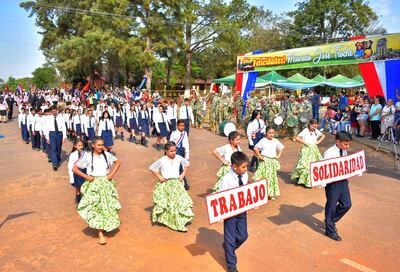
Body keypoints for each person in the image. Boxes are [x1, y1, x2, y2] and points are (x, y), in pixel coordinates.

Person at [73, 136, 121, 245]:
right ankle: (100, 233)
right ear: (93, 145)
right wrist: (87, 177)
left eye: (102, 145)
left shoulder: (107, 155)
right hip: (94, 184)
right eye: (98, 145)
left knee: (106, 206)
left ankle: (104, 226)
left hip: (106, 184)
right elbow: (75, 168)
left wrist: (111, 175)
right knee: (96, 206)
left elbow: (118, 162)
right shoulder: (87, 156)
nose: (101, 147)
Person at [149, 141, 194, 232]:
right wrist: (160, 177)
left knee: (178, 202)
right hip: (167, 184)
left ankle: (178, 221)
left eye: (175, 150)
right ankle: (170, 220)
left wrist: (182, 175)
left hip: (177, 183)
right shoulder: (162, 159)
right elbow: (152, 168)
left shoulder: (179, 158)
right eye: (171, 151)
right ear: (166, 151)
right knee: (169, 203)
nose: (174, 153)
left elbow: (186, 164)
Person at [217, 151, 250, 272]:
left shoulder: (245, 175)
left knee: (243, 236)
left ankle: (228, 248)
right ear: (234, 166)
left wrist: (253, 203)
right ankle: (232, 266)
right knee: (230, 239)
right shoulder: (226, 179)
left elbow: (246, 190)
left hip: (242, 211)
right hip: (230, 213)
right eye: (244, 167)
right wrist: (220, 214)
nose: (246, 169)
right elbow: (220, 196)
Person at [324, 131, 353, 241]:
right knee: (331, 205)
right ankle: (329, 230)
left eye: (348, 144)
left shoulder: (344, 150)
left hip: (343, 181)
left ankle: (330, 221)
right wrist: (322, 182)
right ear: (337, 142)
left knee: (346, 204)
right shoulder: (329, 153)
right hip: (333, 183)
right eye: (345, 144)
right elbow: (324, 169)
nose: (347, 146)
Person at [291, 119, 325, 188]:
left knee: (315, 163)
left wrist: (318, 142)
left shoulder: (316, 131)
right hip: (306, 149)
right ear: (309, 124)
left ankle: (313, 179)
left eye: (315, 126)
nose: (314, 128)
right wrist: (305, 142)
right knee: (305, 164)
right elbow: (297, 138)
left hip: (314, 149)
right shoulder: (305, 130)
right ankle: (304, 180)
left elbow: (323, 136)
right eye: (313, 126)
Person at [253, 127, 284, 200]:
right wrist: (259, 156)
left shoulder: (275, 141)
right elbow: (255, 148)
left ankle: (271, 194)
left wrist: (279, 155)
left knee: (271, 178)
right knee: (263, 176)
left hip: (272, 161)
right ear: (266, 133)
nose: (271, 134)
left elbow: (281, 147)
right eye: (270, 133)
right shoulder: (263, 140)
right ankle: (260, 193)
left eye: (273, 133)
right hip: (265, 161)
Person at [169, 119, 190, 190]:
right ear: (177, 126)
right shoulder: (173, 133)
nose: (182, 127)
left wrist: (187, 155)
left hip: (182, 151)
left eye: (183, 126)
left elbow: (186, 144)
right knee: (179, 168)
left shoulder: (185, 133)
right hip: (176, 151)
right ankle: (185, 184)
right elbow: (170, 144)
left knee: (182, 167)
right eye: (181, 126)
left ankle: (182, 183)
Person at [44, 106, 67, 171]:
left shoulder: (61, 117)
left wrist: (64, 136)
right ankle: (55, 164)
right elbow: (47, 128)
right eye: (53, 111)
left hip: (59, 133)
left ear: (57, 110)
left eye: (55, 111)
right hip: (52, 134)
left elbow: (63, 127)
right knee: (53, 148)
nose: (54, 112)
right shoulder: (49, 118)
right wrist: (47, 138)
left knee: (58, 148)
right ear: (51, 111)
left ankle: (57, 157)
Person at [68, 139, 87, 204]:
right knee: (78, 189)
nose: (81, 147)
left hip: (84, 172)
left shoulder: (85, 153)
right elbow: (70, 166)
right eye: (79, 145)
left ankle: (85, 202)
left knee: (85, 188)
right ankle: (79, 203)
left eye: (82, 145)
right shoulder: (72, 155)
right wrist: (71, 178)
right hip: (76, 173)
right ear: (75, 146)